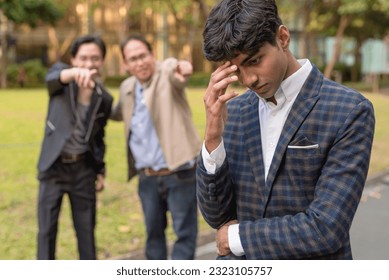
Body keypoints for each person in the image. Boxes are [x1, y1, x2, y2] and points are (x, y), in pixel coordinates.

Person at [197, 0, 375, 260]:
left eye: (255, 60)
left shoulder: (348, 110)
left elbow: (326, 228)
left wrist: (236, 237)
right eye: (236, 69)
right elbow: (217, 216)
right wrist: (213, 138)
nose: (248, 80)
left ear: (282, 37)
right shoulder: (233, 110)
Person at [110, 35, 201, 260]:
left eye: (143, 56)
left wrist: (183, 68)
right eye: (133, 59)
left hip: (179, 173)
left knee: (184, 234)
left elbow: (176, 71)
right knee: (153, 235)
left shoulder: (166, 73)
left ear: (152, 55)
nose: (140, 62)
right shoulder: (127, 87)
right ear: (126, 64)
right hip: (147, 178)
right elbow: (116, 112)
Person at [36, 35, 113, 260]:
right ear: (73, 59)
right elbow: (51, 78)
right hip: (53, 167)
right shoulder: (62, 82)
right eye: (83, 58)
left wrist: (100, 170)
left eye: (95, 59)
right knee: (46, 232)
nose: (89, 64)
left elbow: (98, 138)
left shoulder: (104, 99)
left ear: (102, 61)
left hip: (83, 171)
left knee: (86, 232)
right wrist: (71, 74)